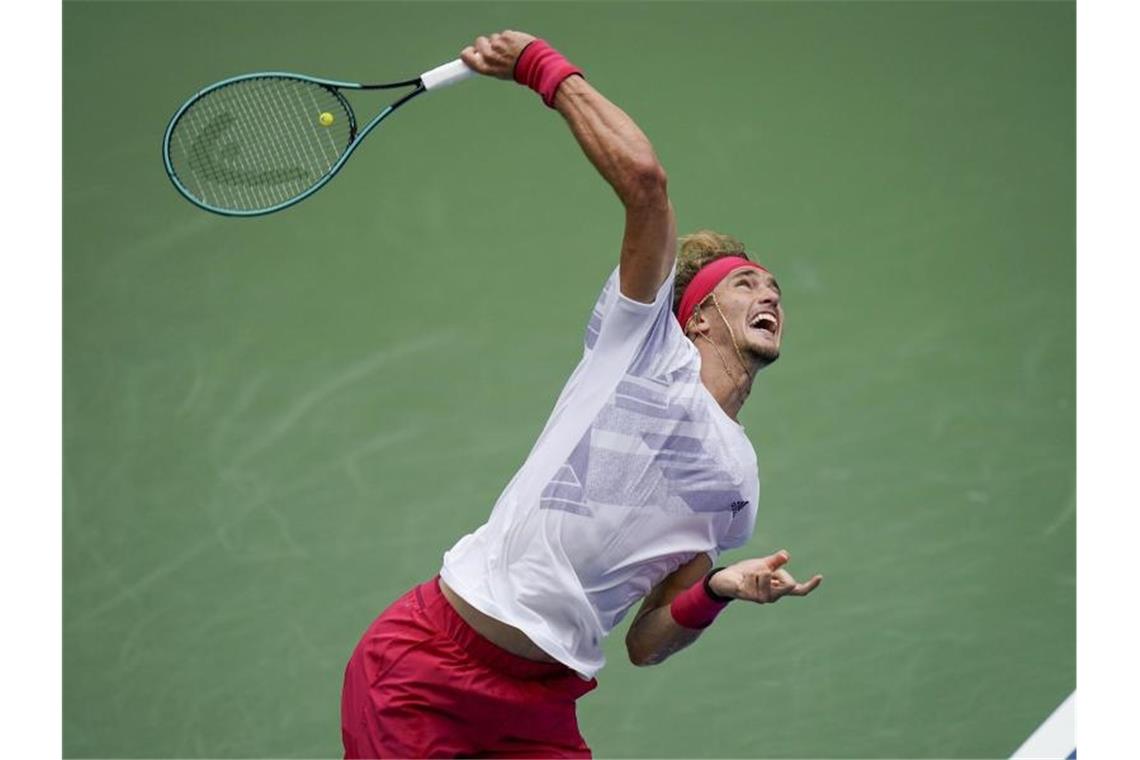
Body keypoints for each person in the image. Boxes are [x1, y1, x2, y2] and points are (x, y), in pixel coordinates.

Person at [340, 30, 823, 759]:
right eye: (746, 284)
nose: (771, 295)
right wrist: (538, 66)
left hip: (539, 704)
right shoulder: (640, 348)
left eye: (776, 289)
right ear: (694, 315)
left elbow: (647, 643)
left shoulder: (737, 485)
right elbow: (645, 182)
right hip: (426, 668)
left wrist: (718, 591)